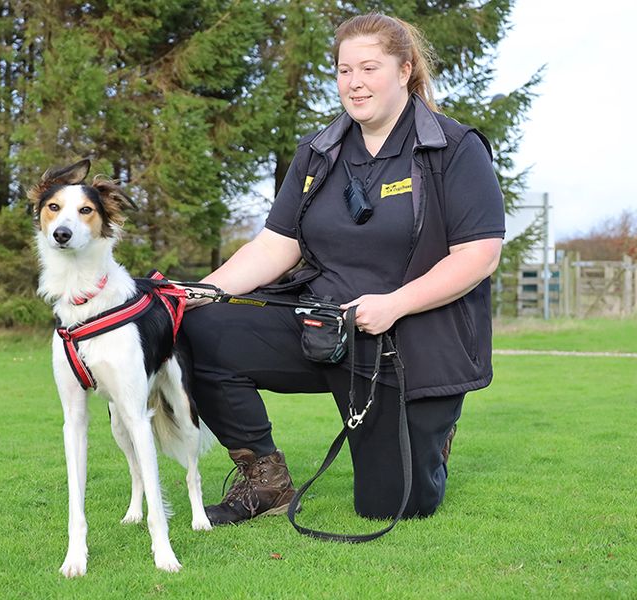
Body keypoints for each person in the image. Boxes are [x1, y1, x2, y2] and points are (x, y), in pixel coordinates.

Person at [182, 12, 505, 526]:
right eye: (343, 70)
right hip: (322, 330)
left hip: (408, 342)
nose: (354, 83)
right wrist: (200, 292)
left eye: (369, 68)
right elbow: (275, 246)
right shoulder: (317, 152)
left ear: (404, 70)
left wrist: (394, 303)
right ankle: (264, 480)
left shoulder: (452, 148)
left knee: (392, 506)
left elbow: (479, 254)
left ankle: (432, 431)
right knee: (197, 326)